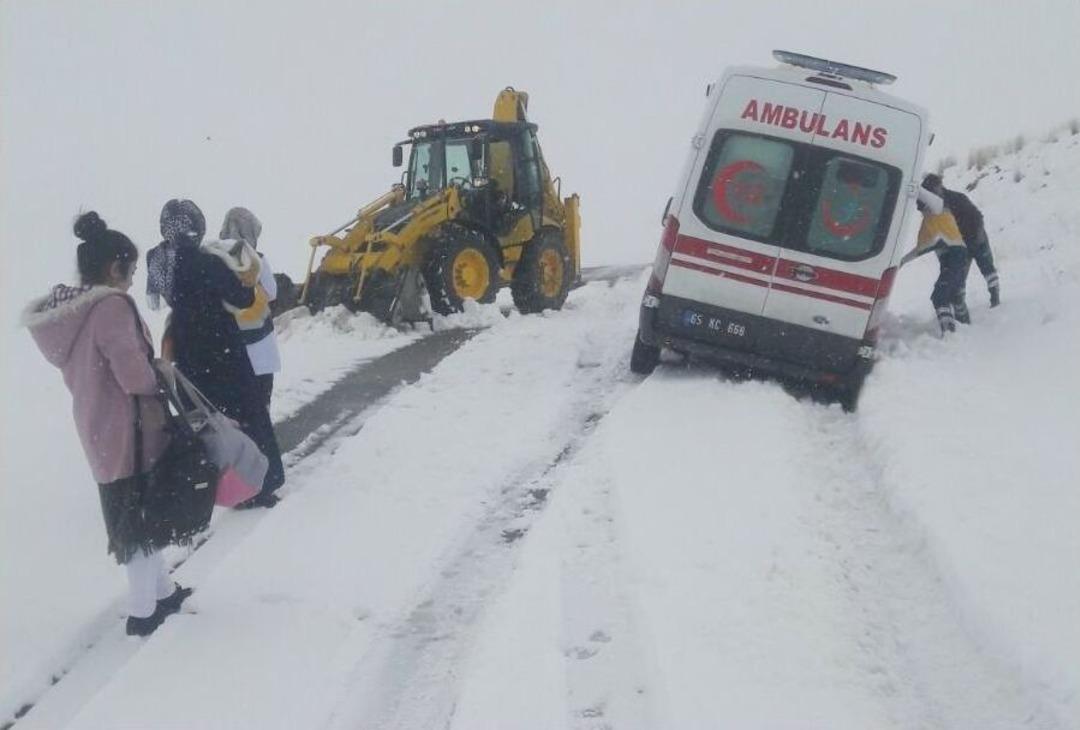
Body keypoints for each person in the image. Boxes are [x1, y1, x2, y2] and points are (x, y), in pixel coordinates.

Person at [22, 211, 191, 636]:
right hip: (131, 428)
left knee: (135, 514)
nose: (132, 282)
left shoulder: (70, 312)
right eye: (130, 272)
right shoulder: (111, 307)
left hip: (98, 425)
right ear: (115, 268)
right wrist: (160, 372)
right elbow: (134, 377)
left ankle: (162, 592)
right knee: (139, 524)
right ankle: (142, 613)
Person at [160, 199, 285, 508]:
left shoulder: (160, 262)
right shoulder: (210, 262)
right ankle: (258, 485)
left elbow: (164, 298)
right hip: (222, 352)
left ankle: (221, 488)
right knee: (248, 420)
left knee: (211, 426)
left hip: (187, 355)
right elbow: (243, 298)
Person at [219, 207, 281, 407]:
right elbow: (272, 292)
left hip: (229, 344)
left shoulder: (214, 259)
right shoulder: (257, 259)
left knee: (235, 405)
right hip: (260, 343)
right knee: (261, 403)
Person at [922, 173, 1001, 312]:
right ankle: (959, 304)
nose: (932, 194)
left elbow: (977, 216)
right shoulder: (934, 206)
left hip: (976, 237)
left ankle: (995, 297)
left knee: (986, 267)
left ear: (939, 186)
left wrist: (976, 237)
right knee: (960, 275)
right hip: (959, 244)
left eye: (933, 190)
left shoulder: (957, 198)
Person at [900, 187, 969, 335]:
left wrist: (914, 186)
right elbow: (920, 248)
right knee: (953, 294)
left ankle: (950, 332)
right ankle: (965, 325)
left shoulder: (938, 210)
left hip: (956, 256)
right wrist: (902, 262)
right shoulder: (931, 223)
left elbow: (935, 202)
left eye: (921, 207)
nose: (920, 211)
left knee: (939, 295)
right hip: (955, 258)